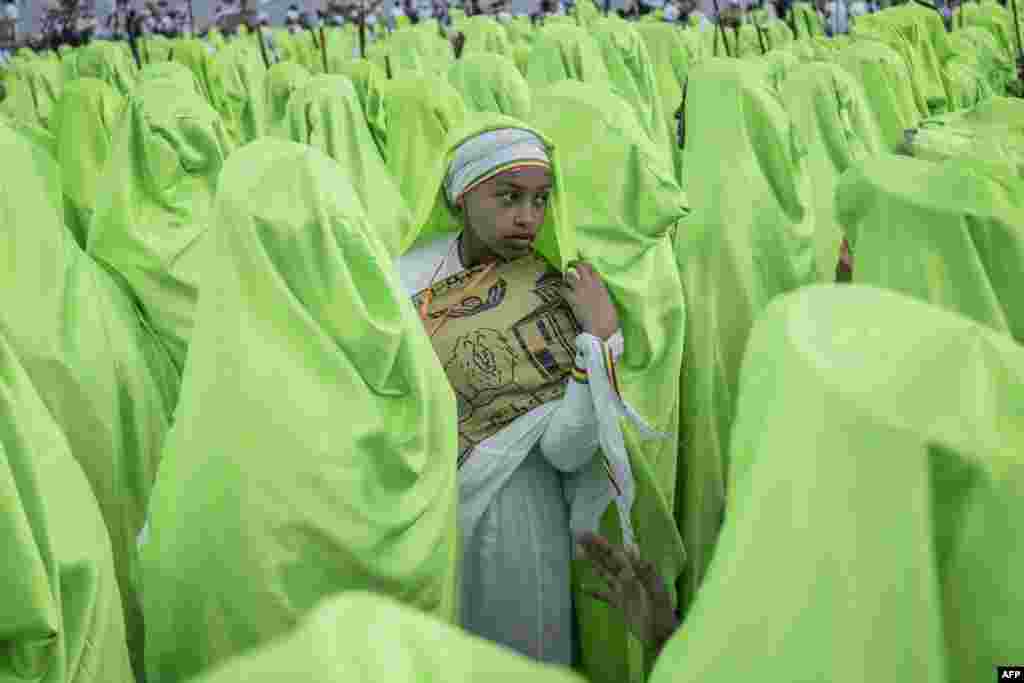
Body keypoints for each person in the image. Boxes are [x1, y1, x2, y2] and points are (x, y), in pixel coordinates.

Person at [397, 118, 662, 666]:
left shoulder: (553, 289)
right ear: (462, 195)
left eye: (541, 200)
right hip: (423, 503)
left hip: (518, 514)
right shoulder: (408, 278)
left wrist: (600, 340)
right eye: (509, 197)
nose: (528, 217)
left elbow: (566, 451)